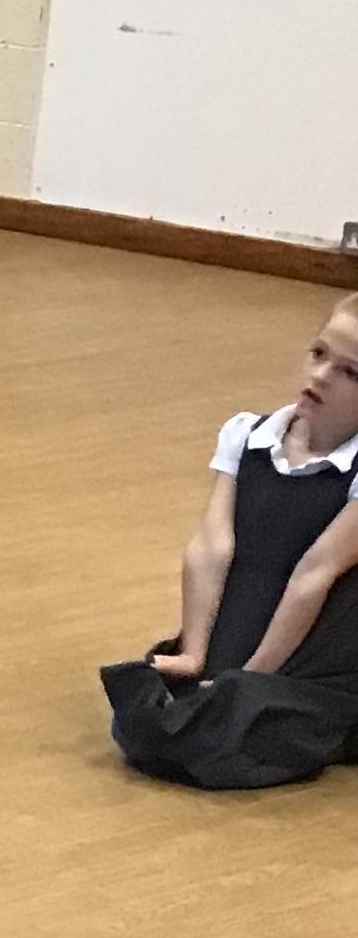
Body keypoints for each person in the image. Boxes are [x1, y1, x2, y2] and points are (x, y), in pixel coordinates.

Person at [103, 295, 358, 790]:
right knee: (152, 720)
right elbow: (211, 547)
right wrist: (195, 653)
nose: (321, 375)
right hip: (242, 621)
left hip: (310, 648)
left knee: (233, 737)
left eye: (350, 373)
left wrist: (253, 676)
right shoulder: (249, 435)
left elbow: (315, 573)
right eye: (319, 354)